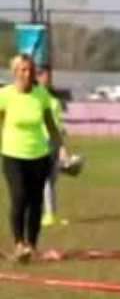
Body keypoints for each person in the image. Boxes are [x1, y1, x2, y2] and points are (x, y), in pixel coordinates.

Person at [0, 54, 71, 263]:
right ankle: (19, 243)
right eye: (23, 70)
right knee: (19, 197)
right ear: (15, 72)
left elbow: (50, 124)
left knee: (36, 202)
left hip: (39, 155)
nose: (27, 73)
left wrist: (61, 148)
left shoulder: (41, 95)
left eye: (30, 69)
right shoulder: (5, 95)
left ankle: (31, 245)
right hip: (13, 154)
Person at [37, 65, 73, 228]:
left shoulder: (52, 97)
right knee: (45, 180)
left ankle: (51, 215)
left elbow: (56, 119)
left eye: (50, 76)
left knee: (51, 180)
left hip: (55, 141)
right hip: (41, 142)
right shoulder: (35, 96)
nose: (49, 79)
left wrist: (61, 133)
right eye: (45, 76)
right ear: (38, 77)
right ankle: (43, 215)